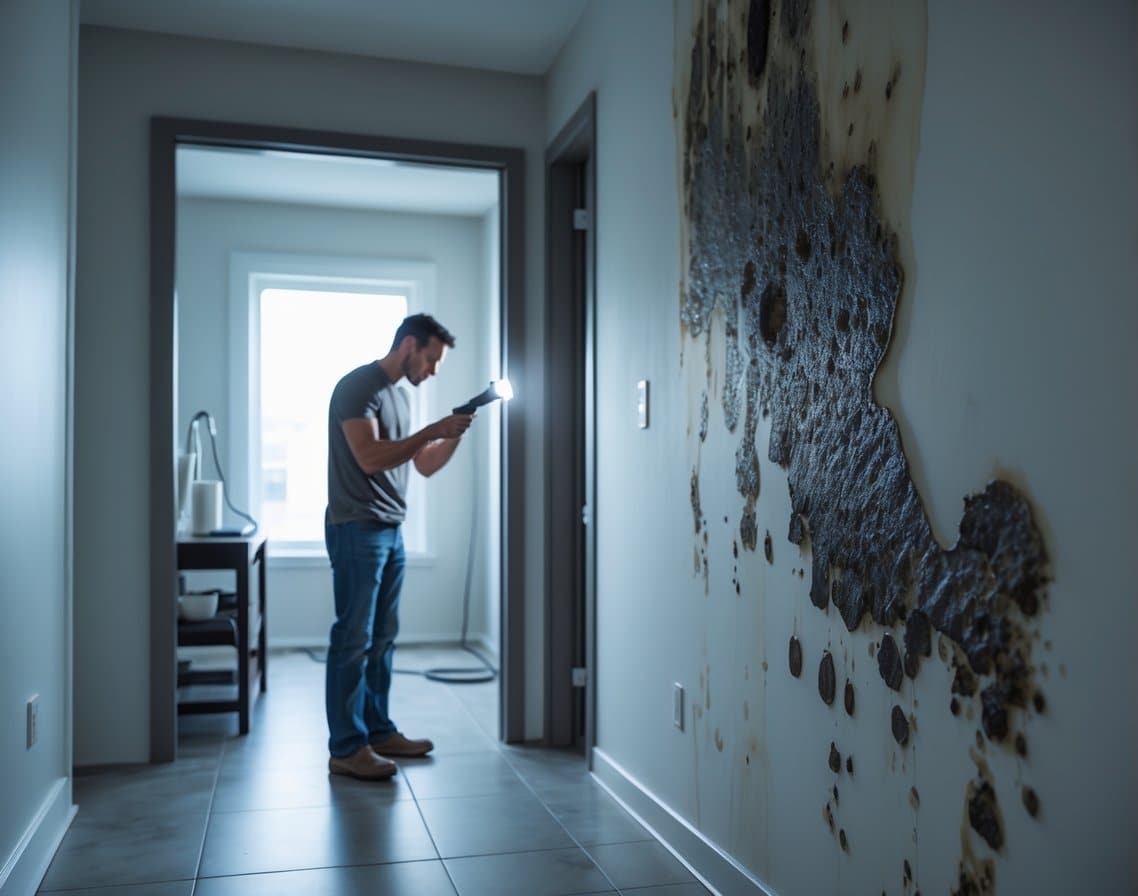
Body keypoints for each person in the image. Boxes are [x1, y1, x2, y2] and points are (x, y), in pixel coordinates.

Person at [324, 313, 474, 781]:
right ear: (409, 345)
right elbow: (370, 459)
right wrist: (431, 430)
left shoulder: (400, 398)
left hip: (391, 528)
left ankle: (378, 730)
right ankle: (347, 748)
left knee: (383, 638)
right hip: (356, 528)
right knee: (353, 638)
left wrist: (452, 435)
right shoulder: (359, 388)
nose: (431, 372)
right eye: (430, 360)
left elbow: (423, 465)